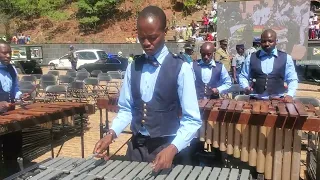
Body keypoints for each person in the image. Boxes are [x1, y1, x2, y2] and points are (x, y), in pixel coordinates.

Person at [93, 6, 201, 172]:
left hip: (167, 149)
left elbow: (192, 120)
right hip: (136, 149)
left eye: (152, 37)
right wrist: (111, 133)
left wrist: (173, 148)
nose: (146, 43)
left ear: (165, 32)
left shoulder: (181, 68)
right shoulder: (133, 66)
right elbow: (126, 109)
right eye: (141, 38)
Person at [239, 29, 298, 102]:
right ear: (260, 42)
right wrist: (245, 87)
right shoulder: (250, 57)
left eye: (270, 41)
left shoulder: (286, 58)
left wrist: (290, 94)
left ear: (276, 41)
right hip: (255, 100)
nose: (267, 44)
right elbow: (243, 76)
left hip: (277, 101)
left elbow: (292, 79)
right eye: (264, 41)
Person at [0, 39, 30, 178]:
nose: (8, 55)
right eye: (4, 53)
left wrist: (19, 98)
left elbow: (15, 88)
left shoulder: (12, 69)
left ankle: (12, 172)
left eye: (9, 53)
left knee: (13, 145)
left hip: (10, 114)